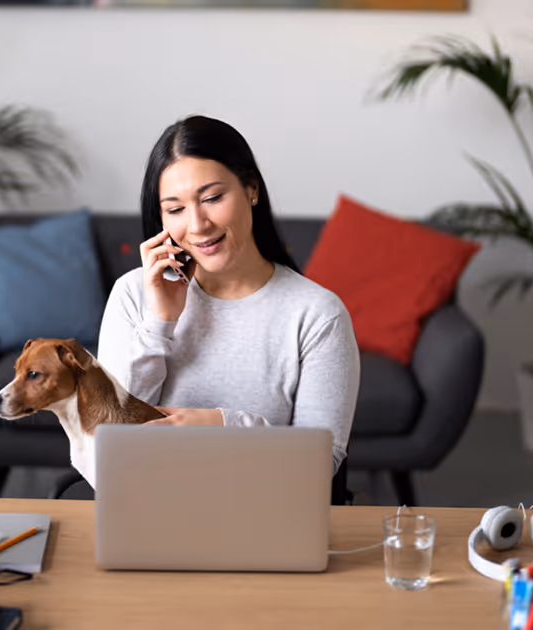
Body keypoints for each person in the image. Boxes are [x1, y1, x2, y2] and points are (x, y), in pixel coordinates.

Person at [97, 115, 360, 473]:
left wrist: (222, 426)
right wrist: (159, 323)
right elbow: (109, 442)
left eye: (213, 198)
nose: (197, 225)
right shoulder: (133, 294)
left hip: (268, 511)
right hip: (152, 506)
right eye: (175, 209)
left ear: (251, 189)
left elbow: (319, 462)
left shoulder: (316, 313)